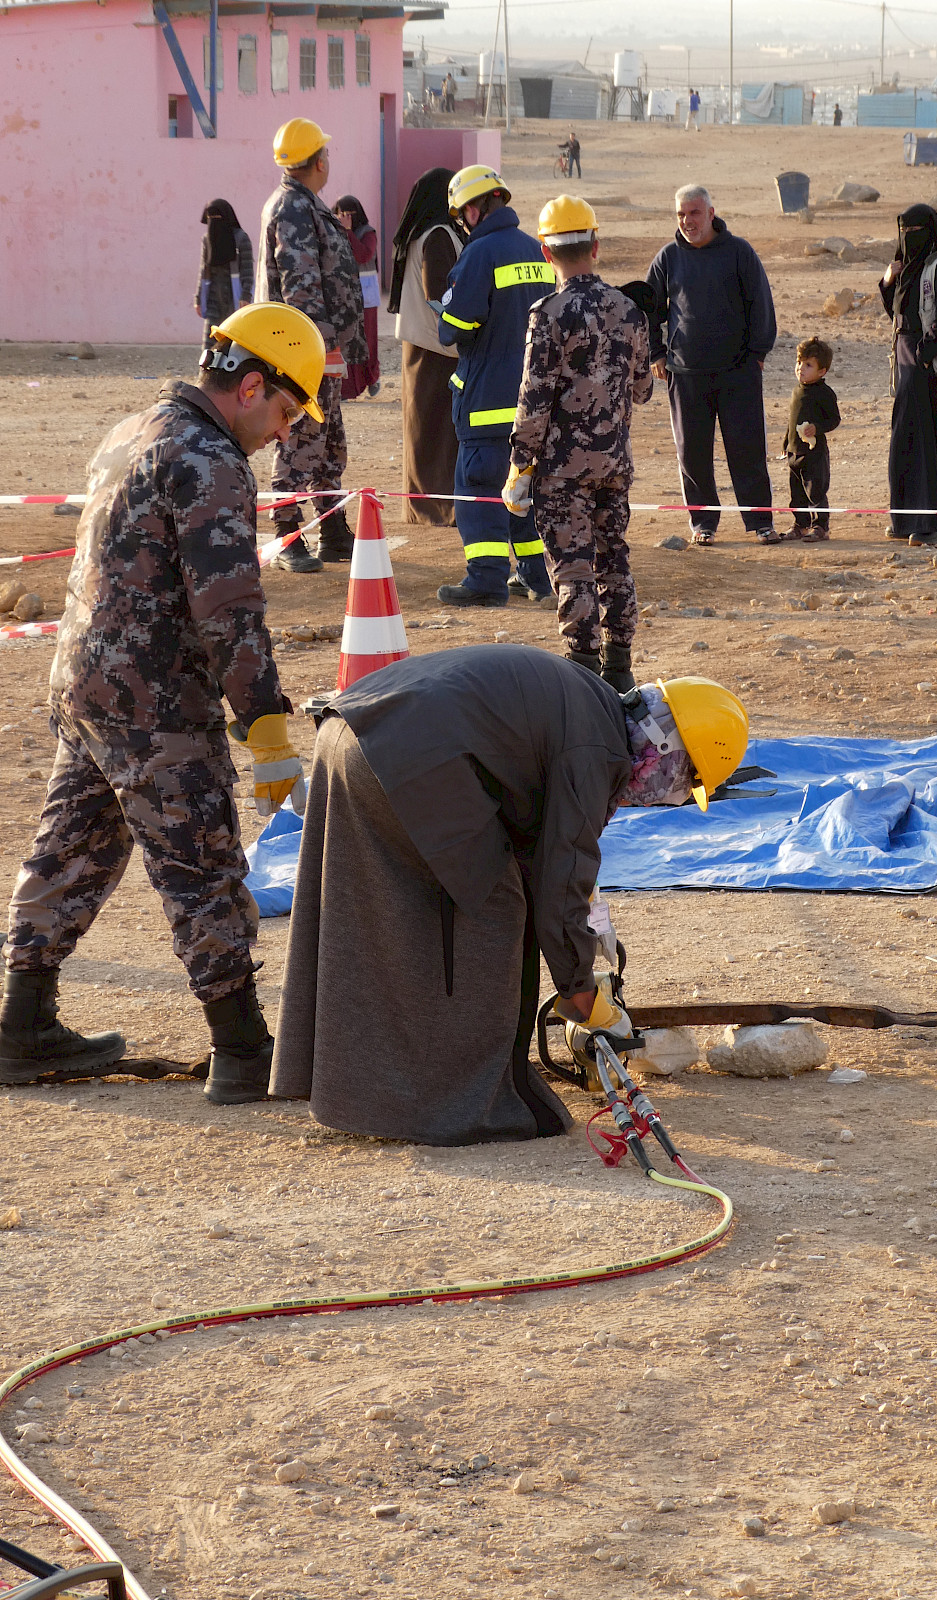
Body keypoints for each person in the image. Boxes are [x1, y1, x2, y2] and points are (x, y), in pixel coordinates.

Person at [0, 305, 324, 1105]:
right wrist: (266, 725)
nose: (283, 432)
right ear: (252, 385)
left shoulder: (134, 427)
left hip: (86, 687)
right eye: (284, 412)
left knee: (68, 852)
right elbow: (229, 608)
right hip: (154, 703)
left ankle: (20, 1027)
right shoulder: (210, 460)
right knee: (202, 867)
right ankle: (244, 1050)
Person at [269, 646, 749, 1145]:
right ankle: (466, 1104)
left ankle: (361, 1082)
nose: (660, 795)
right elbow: (559, 887)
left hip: (350, 732)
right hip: (402, 755)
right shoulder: (598, 750)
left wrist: (582, 941)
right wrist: (582, 994)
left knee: (385, 906)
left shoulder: (592, 708)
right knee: (494, 912)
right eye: (680, 782)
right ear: (666, 748)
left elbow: (542, 845)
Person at [504, 197, 652, 692]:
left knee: (573, 569)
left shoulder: (548, 313)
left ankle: (585, 674)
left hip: (562, 471)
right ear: (595, 244)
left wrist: (521, 466)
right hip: (613, 465)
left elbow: (535, 398)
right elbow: (643, 390)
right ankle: (621, 668)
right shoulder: (630, 311)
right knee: (614, 559)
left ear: (546, 252)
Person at [435, 164, 557, 607]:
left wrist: (446, 308)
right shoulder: (537, 250)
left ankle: (486, 580)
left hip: (486, 398)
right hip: (535, 400)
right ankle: (537, 578)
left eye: (462, 212)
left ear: (473, 207)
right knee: (524, 486)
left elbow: (455, 327)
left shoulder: (479, 252)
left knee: (479, 489)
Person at [257, 116, 365, 573]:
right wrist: (321, 347)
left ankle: (331, 525)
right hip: (299, 350)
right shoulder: (293, 209)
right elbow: (301, 289)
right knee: (300, 437)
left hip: (315, 349)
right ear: (318, 160)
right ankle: (287, 532)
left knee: (328, 439)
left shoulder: (304, 204)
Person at [646, 184, 778, 546]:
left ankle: (761, 521)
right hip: (685, 374)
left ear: (711, 213)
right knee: (692, 454)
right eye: (681, 214)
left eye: (694, 213)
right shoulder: (668, 258)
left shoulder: (739, 252)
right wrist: (656, 353)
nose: (688, 221)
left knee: (747, 450)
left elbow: (761, 305)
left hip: (738, 373)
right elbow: (648, 311)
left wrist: (757, 355)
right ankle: (703, 523)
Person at [879, 203, 937, 547]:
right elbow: (896, 311)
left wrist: (924, 356)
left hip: (927, 359)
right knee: (908, 437)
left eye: (914, 232)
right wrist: (888, 280)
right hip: (907, 355)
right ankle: (905, 520)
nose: (907, 238)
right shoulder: (907, 269)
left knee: (928, 439)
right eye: (903, 232)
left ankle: (928, 525)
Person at [387, 168, 465, 527]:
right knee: (434, 434)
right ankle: (435, 510)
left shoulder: (429, 234)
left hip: (423, 347)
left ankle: (427, 509)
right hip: (437, 349)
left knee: (425, 432)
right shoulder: (438, 236)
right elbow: (440, 298)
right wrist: (460, 339)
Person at [783, 336, 840, 542]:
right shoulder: (796, 391)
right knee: (796, 492)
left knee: (815, 490)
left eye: (808, 365)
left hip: (814, 453)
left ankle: (820, 526)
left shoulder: (824, 393)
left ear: (822, 371)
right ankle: (800, 524)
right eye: (799, 363)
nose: (801, 368)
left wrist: (818, 428)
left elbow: (834, 419)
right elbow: (792, 421)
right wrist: (786, 444)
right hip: (794, 451)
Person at [333, 194, 381, 400]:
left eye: (349, 215)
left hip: (366, 295)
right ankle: (348, 386)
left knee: (367, 338)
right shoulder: (333, 233)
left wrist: (349, 232)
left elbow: (363, 255)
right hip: (343, 294)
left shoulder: (367, 233)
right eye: (341, 215)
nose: (345, 219)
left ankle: (371, 378)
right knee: (346, 339)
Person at [195, 199, 254, 346]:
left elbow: (247, 270)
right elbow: (203, 270)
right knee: (209, 344)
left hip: (235, 299)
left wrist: (246, 295)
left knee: (234, 343)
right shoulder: (207, 239)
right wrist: (198, 299)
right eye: (210, 218)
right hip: (213, 299)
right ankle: (206, 369)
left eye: (217, 218)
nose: (214, 222)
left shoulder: (241, 239)